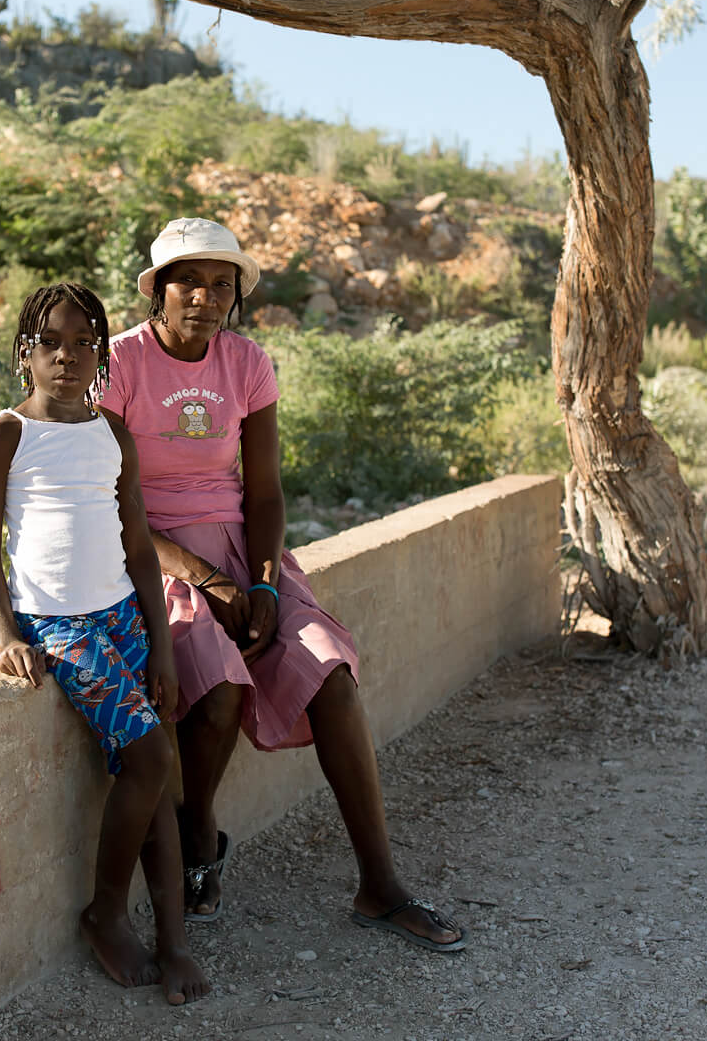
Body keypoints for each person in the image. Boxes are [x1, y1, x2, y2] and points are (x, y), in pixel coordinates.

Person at [96, 219, 465, 953]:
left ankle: (380, 885)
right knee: (220, 689)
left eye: (221, 285)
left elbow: (263, 494)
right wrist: (204, 581)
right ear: (157, 290)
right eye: (188, 282)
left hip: (244, 552)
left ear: (236, 298)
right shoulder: (121, 365)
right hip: (153, 556)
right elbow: (115, 501)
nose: (205, 297)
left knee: (330, 673)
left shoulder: (248, 364)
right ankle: (199, 830)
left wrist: (262, 585)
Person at [0, 282, 211, 1005]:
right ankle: (105, 912)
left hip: (125, 621)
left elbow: (139, 547)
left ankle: (172, 942)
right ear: (25, 354)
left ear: (101, 354)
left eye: (82, 344)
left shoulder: (114, 434)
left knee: (158, 776)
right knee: (147, 757)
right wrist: (7, 635)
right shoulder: (8, 434)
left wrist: (162, 646)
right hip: (62, 628)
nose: (66, 357)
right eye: (50, 343)